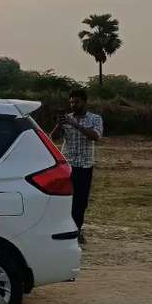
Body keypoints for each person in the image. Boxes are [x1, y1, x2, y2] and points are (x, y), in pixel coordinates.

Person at [51, 88, 103, 241]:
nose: (73, 105)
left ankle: (76, 230)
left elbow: (95, 136)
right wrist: (59, 125)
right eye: (71, 102)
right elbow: (53, 137)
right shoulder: (66, 119)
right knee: (64, 199)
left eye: (76, 102)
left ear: (85, 102)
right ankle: (63, 229)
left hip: (84, 166)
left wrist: (75, 124)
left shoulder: (95, 118)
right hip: (66, 166)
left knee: (81, 201)